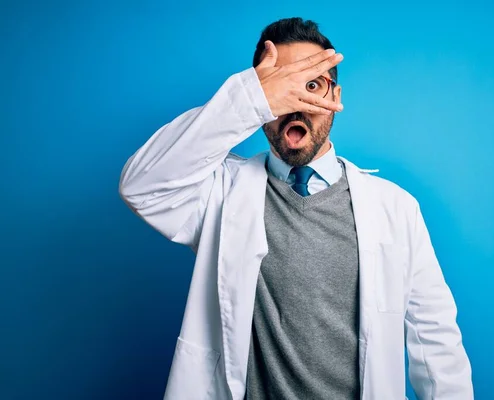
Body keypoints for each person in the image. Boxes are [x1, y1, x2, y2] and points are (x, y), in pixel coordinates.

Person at [119, 17, 473, 400]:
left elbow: (435, 338)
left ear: (334, 97)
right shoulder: (221, 194)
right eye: (281, 89)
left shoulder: (395, 208)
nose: (295, 104)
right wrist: (252, 97)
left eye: (311, 86)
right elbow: (143, 186)